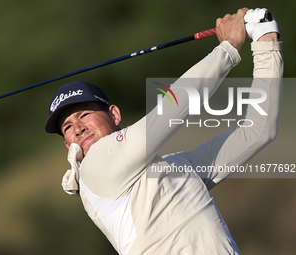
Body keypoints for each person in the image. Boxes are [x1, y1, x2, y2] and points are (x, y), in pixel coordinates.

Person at [45, 7, 283, 255]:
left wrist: (266, 41)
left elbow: (258, 130)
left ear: (114, 115)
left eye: (84, 115)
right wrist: (228, 48)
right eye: (67, 127)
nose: (79, 128)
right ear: (67, 144)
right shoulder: (95, 166)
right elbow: (175, 105)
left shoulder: (173, 168)